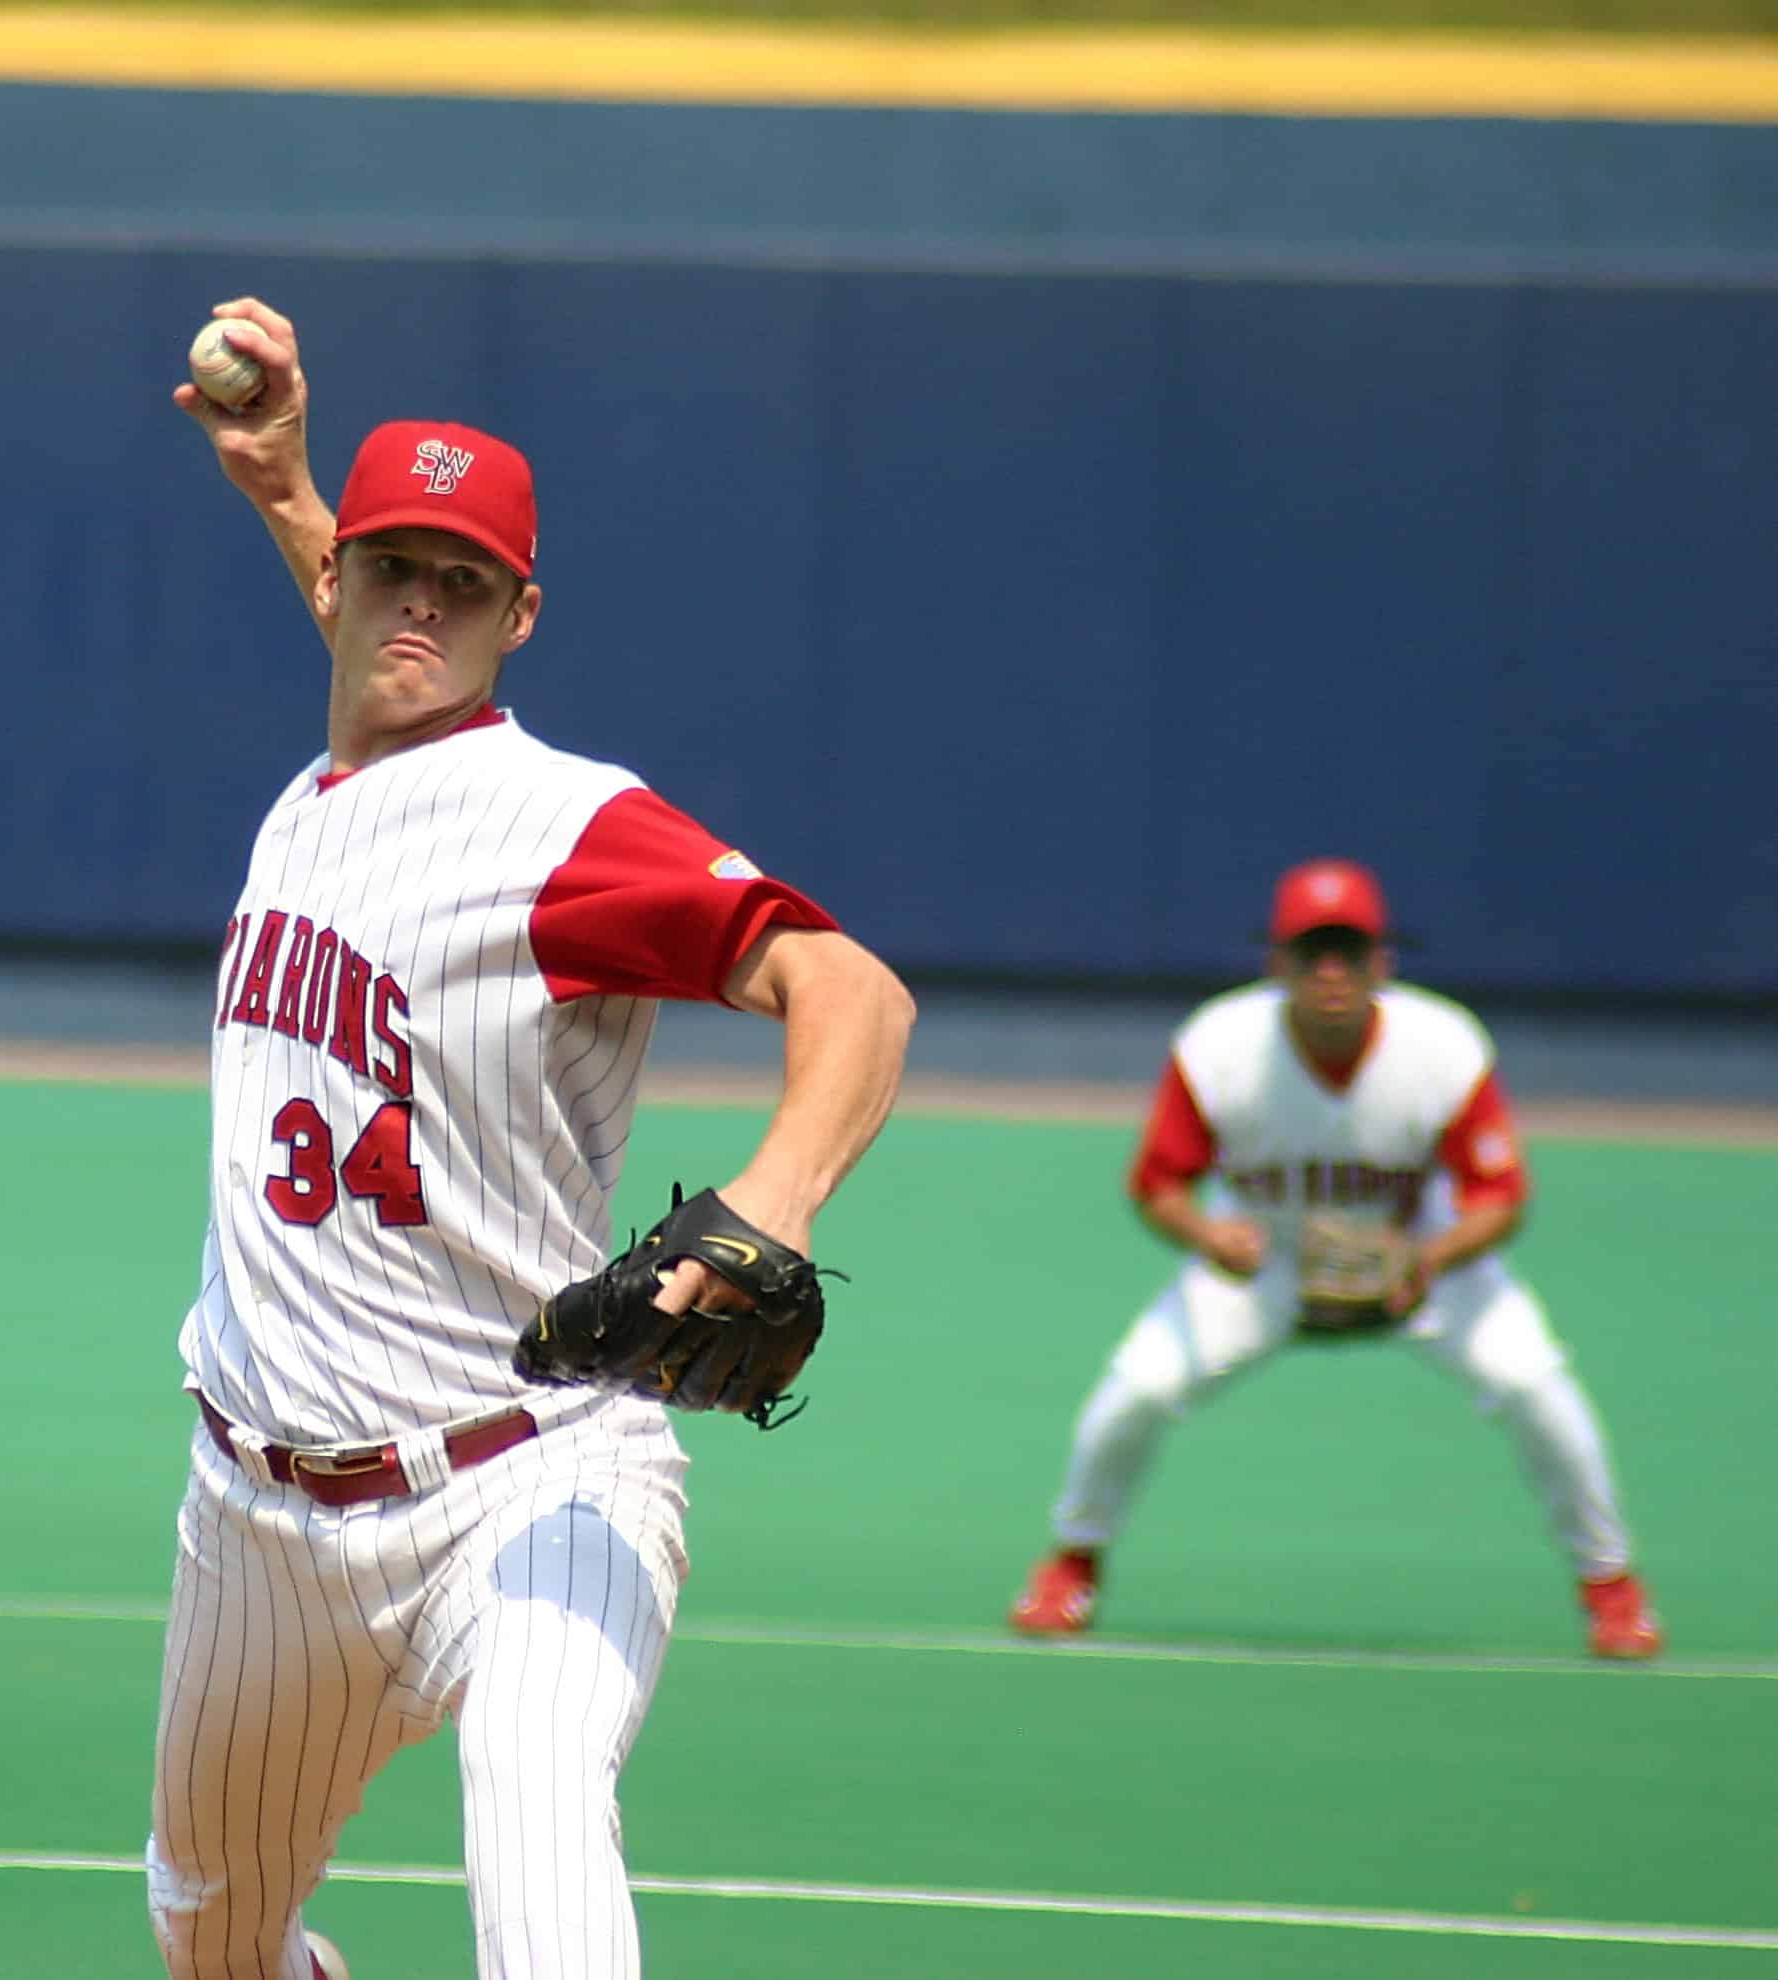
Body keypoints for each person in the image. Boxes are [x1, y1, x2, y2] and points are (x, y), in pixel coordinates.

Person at [144, 297, 917, 1980]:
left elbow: (852, 991)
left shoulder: (570, 831)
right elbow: (378, 674)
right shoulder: (326, 790)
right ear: (339, 576)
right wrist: (279, 479)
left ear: (522, 615)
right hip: (259, 1515)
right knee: (210, 1940)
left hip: (535, 1471)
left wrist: (774, 1203)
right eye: (396, 566)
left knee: (542, 1830)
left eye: (467, 583)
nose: (424, 604)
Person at [1007, 857, 1663, 1661]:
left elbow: (1502, 1197)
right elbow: (1156, 1184)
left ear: (1381, 960)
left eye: (1348, 950)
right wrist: (1206, 1236)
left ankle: (1612, 1588)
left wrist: (1431, 1254)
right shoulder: (1219, 1046)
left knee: (1538, 1389)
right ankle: (1072, 1563)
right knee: (1134, 1394)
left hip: (1419, 1260)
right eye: (1311, 950)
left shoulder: (1442, 1046)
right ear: (1275, 961)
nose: (1330, 970)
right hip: (1264, 1258)